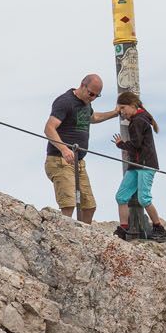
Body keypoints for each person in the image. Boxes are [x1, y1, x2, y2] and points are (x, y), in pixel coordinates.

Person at [43, 74, 118, 222]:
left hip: (79, 162)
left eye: (97, 96)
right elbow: (49, 128)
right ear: (83, 85)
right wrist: (64, 149)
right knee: (69, 204)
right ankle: (64, 238)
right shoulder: (65, 101)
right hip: (60, 160)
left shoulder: (86, 103)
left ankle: (84, 239)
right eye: (91, 93)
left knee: (89, 206)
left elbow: (93, 118)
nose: (93, 98)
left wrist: (114, 113)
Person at [112, 91, 166, 241]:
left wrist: (121, 144)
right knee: (121, 196)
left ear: (132, 105)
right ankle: (124, 228)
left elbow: (136, 144)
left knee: (144, 198)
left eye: (123, 108)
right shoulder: (139, 119)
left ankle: (158, 227)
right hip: (136, 164)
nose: (121, 112)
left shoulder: (138, 120)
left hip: (145, 164)